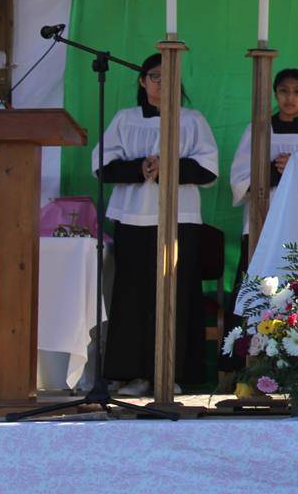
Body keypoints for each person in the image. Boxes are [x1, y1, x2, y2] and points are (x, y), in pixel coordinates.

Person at [94, 53, 218, 396]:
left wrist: (169, 167)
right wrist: (141, 169)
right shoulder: (125, 118)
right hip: (135, 218)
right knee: (132, 297)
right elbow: (103, 164)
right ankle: (132, 373)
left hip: (180, 219)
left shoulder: (192, 120)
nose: (162, 83)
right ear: (142, 81)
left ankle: (171, 372)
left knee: (177, 294)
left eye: (169, 76)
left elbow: (208, 169)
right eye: (155, 76)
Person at [229, 68, 298, 243]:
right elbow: (240, 179)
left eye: (297, 92)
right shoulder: (257, 129)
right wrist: (276, 169)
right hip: (262, 214)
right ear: (275, 94)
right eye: (284, 91)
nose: (290, 97)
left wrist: (294, 166)